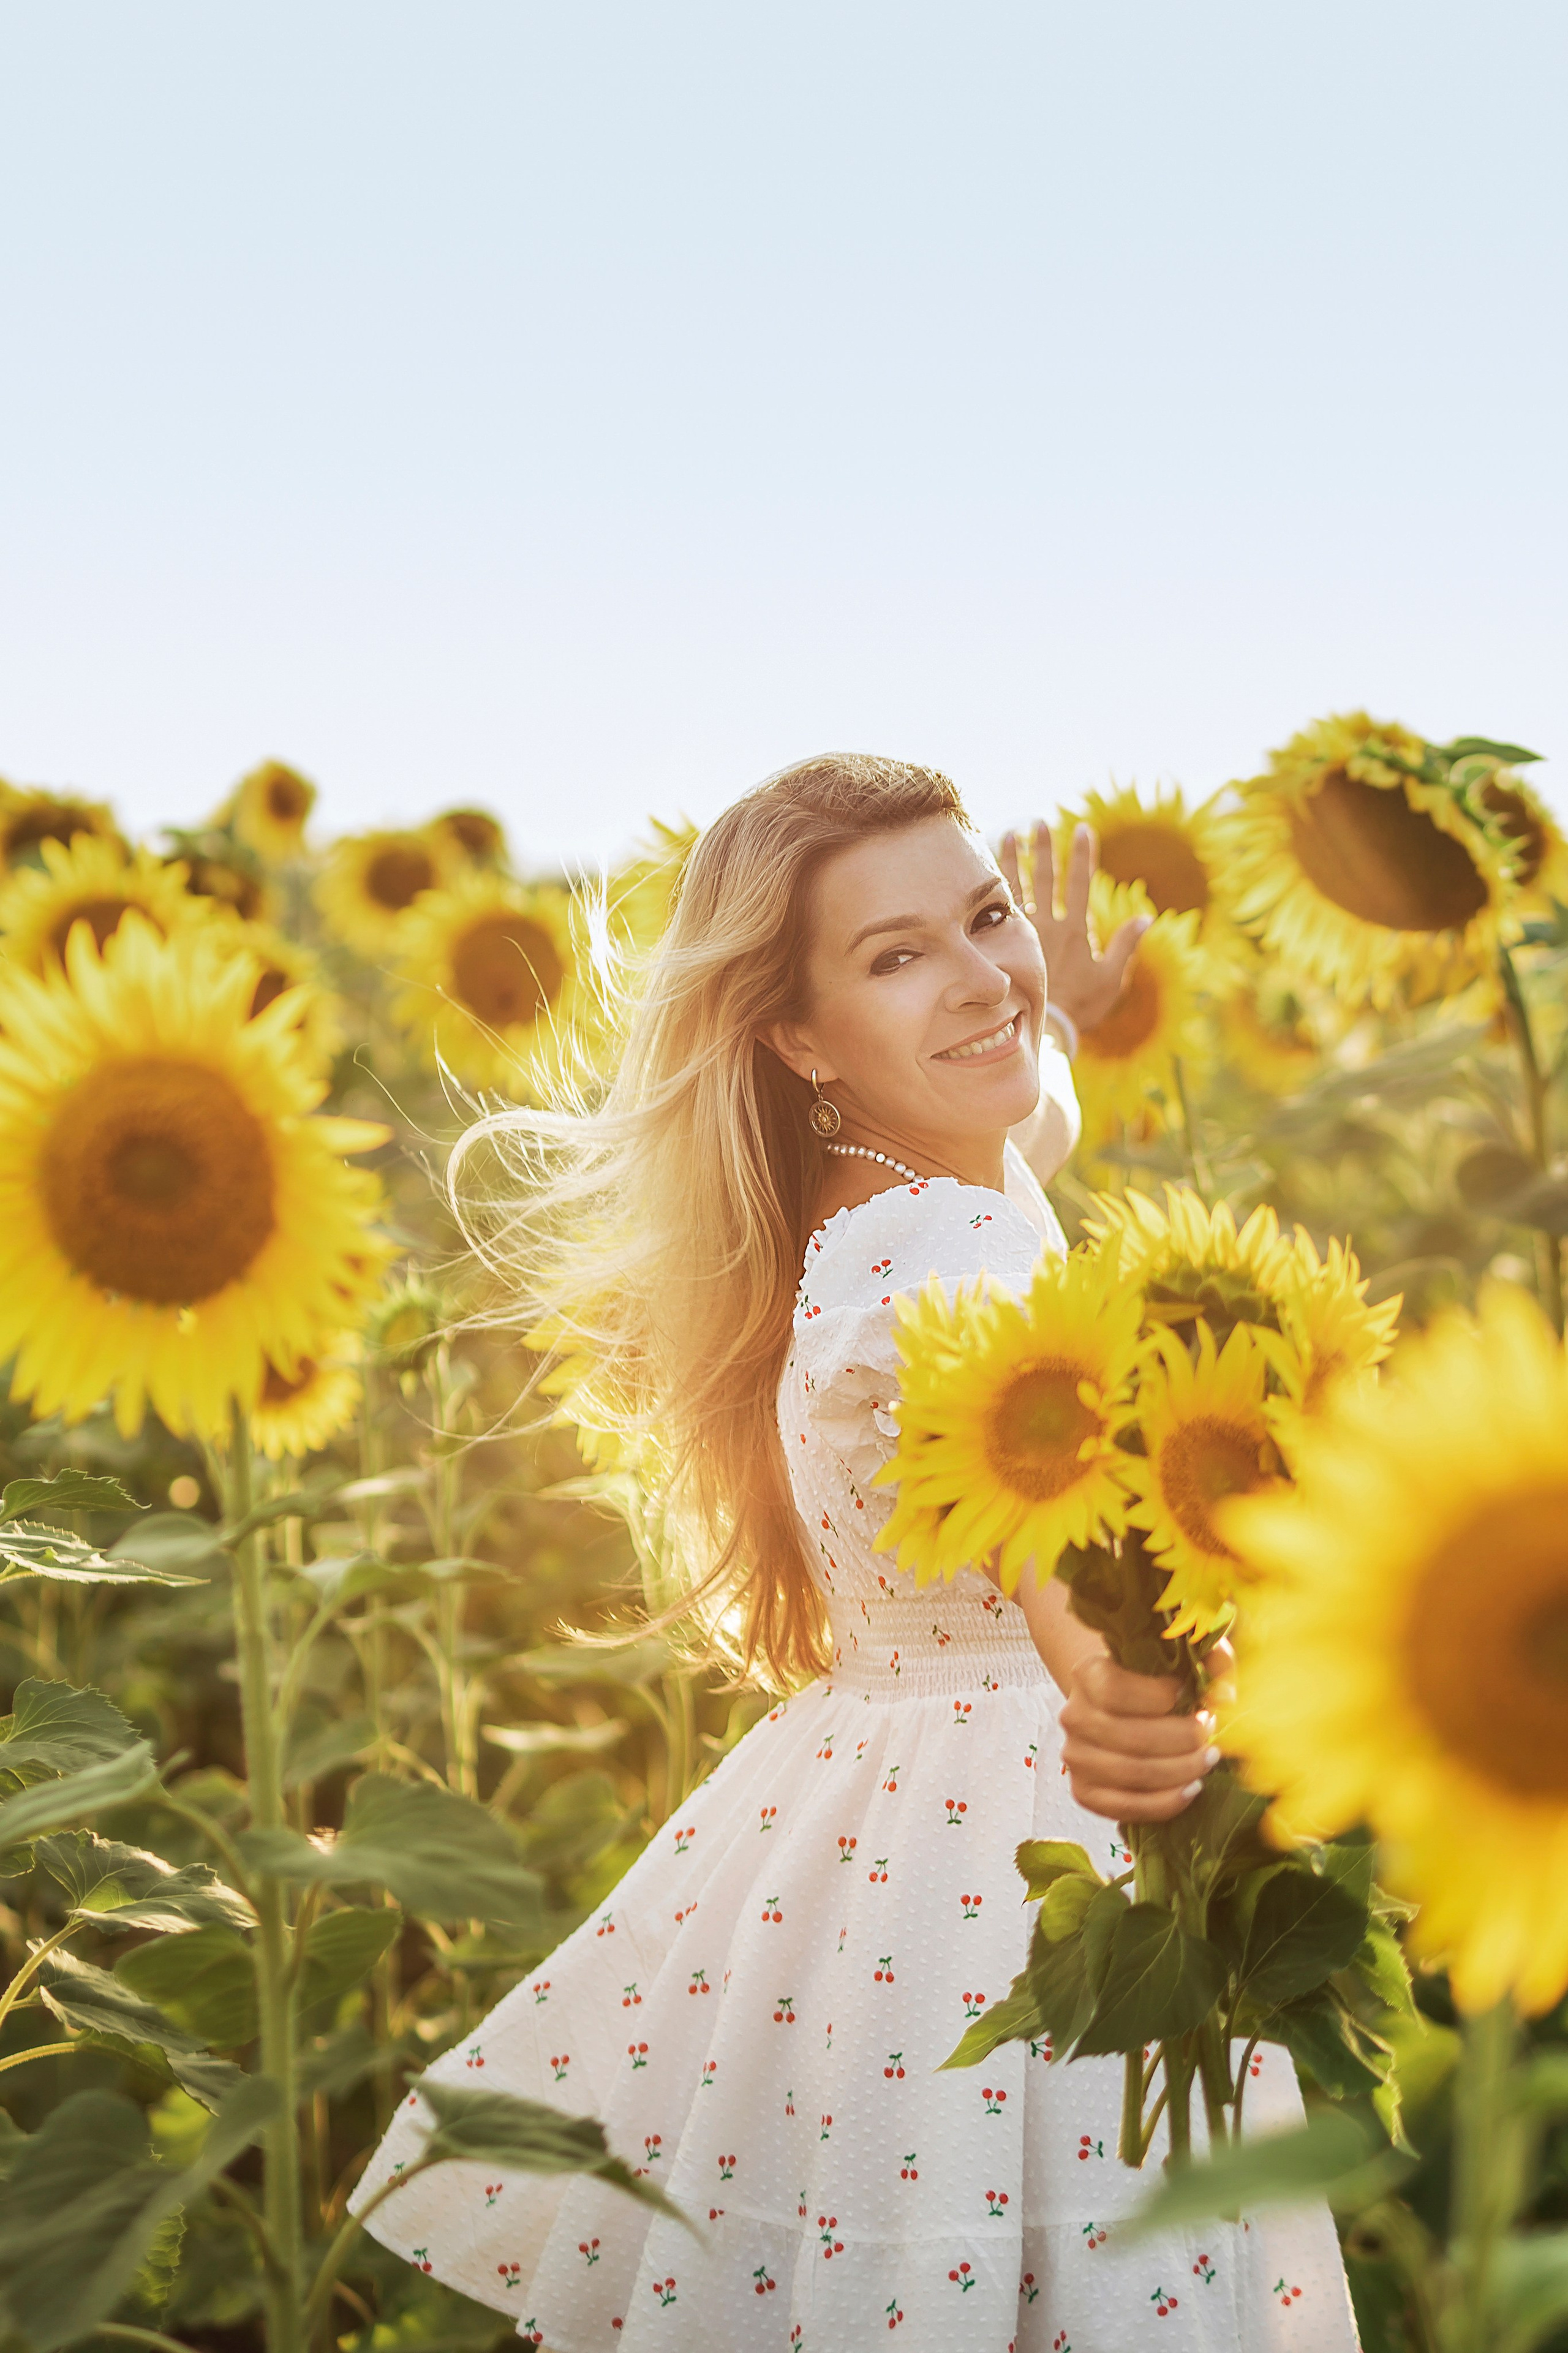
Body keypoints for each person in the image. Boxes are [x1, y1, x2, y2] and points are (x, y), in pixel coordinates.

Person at [355, 755, 1359, 2350]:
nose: (983, 979)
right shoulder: (937, 1258)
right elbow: (1061, 1572)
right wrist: (1152, 1686)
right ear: (797, 1034)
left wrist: (1064, 1010)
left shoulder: (884, 1181)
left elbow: (1020, 1123)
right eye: (899, 957)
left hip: (888, 1832)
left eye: (987, 915)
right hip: (1024, 1848)